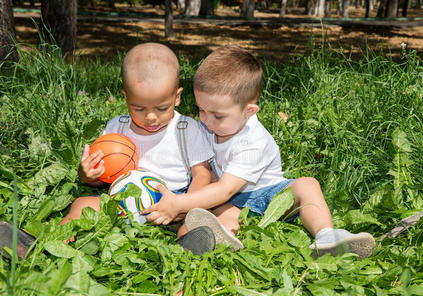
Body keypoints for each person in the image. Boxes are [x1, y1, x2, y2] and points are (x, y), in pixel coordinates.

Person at [143, 45, 376, 259]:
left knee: (308, 185)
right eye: (201, 109)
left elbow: (226, 188)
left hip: (269, 194)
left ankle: (326, 236)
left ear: (249, 111)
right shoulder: (204, 125)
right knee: (222, 214)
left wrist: (181, 202)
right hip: (231, 200)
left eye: (217, 115)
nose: (205, 120)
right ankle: (216, 236)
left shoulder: (254, 141)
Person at [59, 42, 216, 255]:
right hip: (122, 200)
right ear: (126, 97)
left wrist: (183, 204)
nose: (151, 117)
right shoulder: (117, 127)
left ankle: (184, 253)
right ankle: (54, 245)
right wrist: (87, 175)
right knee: (81, 204)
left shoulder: (186, 128)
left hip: (169, 202)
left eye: (162, 108)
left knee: (194, 221)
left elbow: (202, 174)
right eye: (138, 108)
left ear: (177, 97)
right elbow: (101, 177)